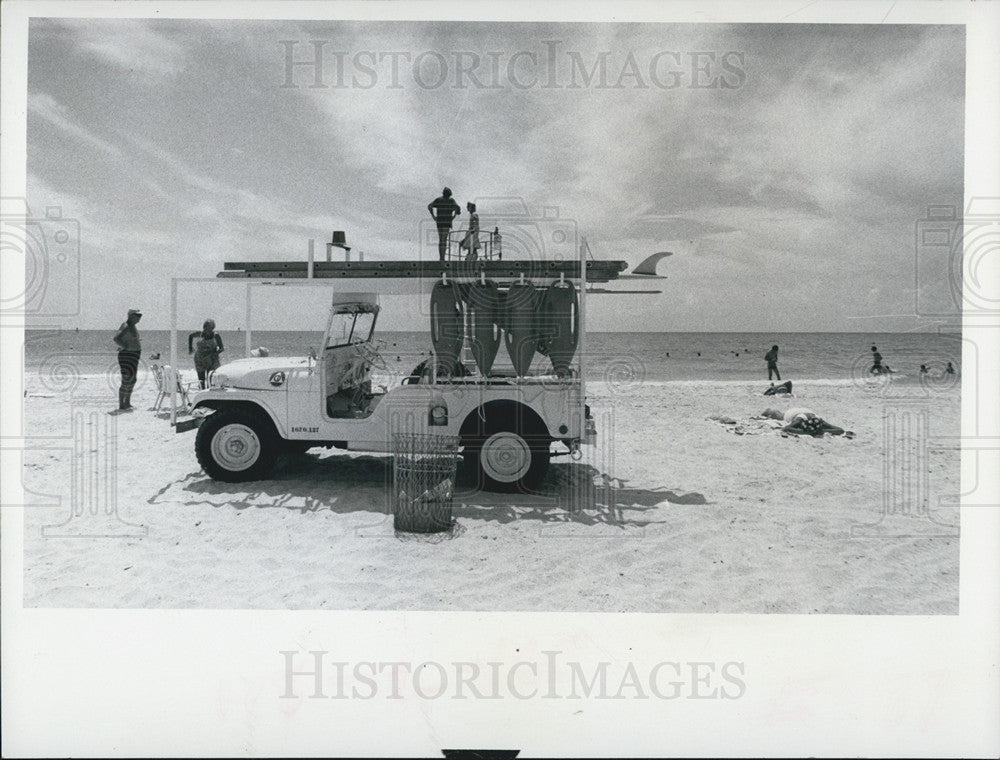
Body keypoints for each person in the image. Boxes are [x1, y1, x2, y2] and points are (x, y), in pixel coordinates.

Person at [113, 308, 142, 411]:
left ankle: (127, 402)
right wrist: (125, 345)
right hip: (127, 355)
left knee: (133, 379)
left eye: (140, 316)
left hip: (134, 354)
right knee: (126, 379)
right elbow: (116, 338)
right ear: (131, 316)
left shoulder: (132, 326)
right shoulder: (126, 325)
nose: (139, 318)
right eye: (137, 316)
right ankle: (122, 404)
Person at [762, 407, 852, 437]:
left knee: (783, 422)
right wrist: (807, 432)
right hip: (805, 415)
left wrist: (812, 432)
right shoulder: (798, 419)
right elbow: (787, 428)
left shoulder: (819, 421)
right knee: (778, 416)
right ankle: (768, 411)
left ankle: (769, 411)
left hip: (805, 414)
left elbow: (841, 430)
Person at [427, 187, 461, 261]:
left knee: (441, 240)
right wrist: (453, 216)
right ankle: (442, 258)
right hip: (447, 222)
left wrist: (433, 216)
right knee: (444, 240)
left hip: (439, 221)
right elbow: (458, 208)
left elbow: (429, 206)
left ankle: (441, 257)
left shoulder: (439, 200)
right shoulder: (451, 200)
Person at [190, 323, 222, 389]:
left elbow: (221, 348)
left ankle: (209, 394)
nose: (206, 330)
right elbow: (190, 336)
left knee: (210, 378)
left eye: (209, 328)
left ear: (212, 328)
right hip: (200, 359)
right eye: (205, 328)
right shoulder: (200, 334)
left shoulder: (216, 335)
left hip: (211, 359)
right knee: (201, 380)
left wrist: (214, 352)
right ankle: (201, 392)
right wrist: (190, 347)